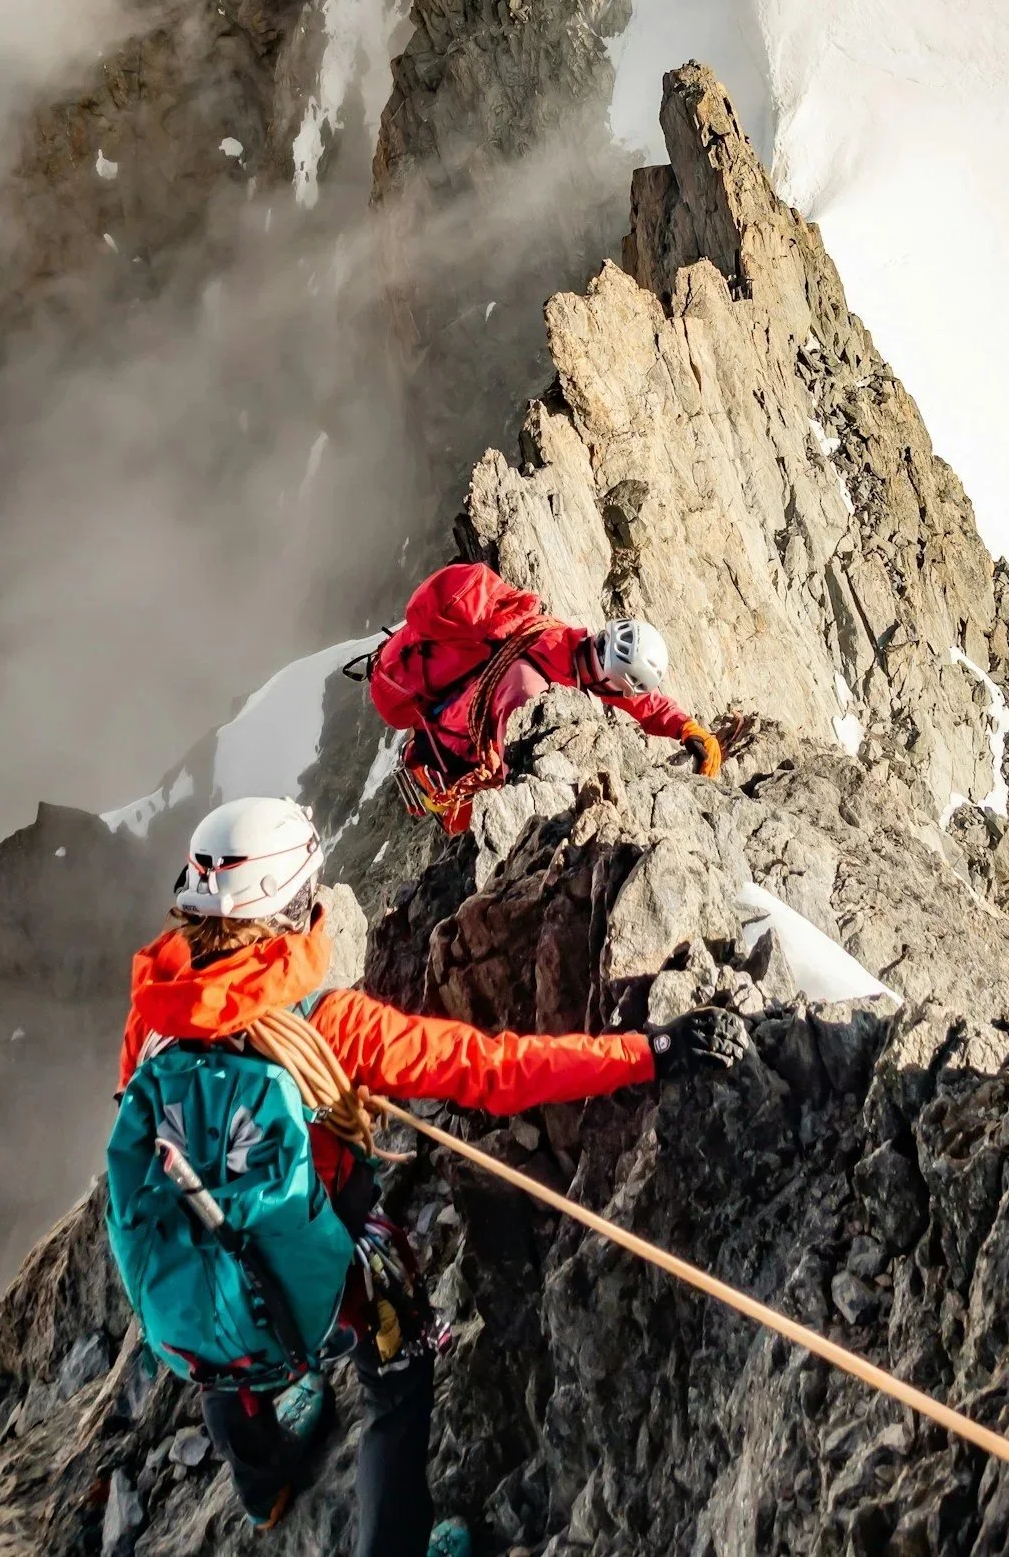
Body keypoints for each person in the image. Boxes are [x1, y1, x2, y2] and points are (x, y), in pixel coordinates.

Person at [106, 795, 748, 1557]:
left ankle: (264, 1487)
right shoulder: (329, 1026)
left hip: (196, 1262)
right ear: (293, 905)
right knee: (397, 1385)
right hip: (334, 1260)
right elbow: (491, 1070)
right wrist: (647, 1053)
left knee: (228, 1354)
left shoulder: (156, 1010)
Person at [362, 561, 723, 833]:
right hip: (446, 764)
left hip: (457, 731)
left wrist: (684, 726)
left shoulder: (564, 642)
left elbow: (634, 696)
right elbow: (507, 772)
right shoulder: (529, 688)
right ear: (610, 681)